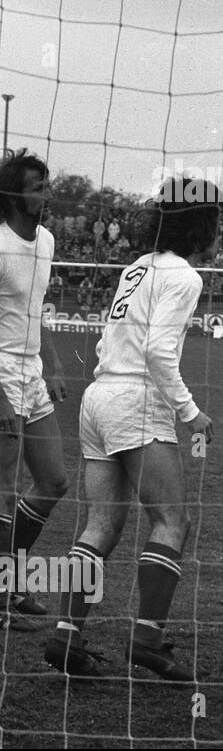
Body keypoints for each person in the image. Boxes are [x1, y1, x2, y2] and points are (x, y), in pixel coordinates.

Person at [43, 177, 220, 679]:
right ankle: (147, 639)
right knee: (171, 522)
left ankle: (67, 637)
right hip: (136, 402)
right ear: (201, 223)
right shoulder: (184, 276)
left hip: (98, 399)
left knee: (100, 525)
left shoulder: (137, 267)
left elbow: (117, 340)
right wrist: (190, 413)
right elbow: (158, 352)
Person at [0, 150, 70, 632]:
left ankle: (11, 578)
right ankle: (5, 596)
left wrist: (56, 363)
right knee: (3, 494)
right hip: (0, 373)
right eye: (37, 187)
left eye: (47, 185)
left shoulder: (44, 240)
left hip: (33, 372)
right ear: (13, 194)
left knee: (54, 480)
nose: (46, 195)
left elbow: (37, 309)